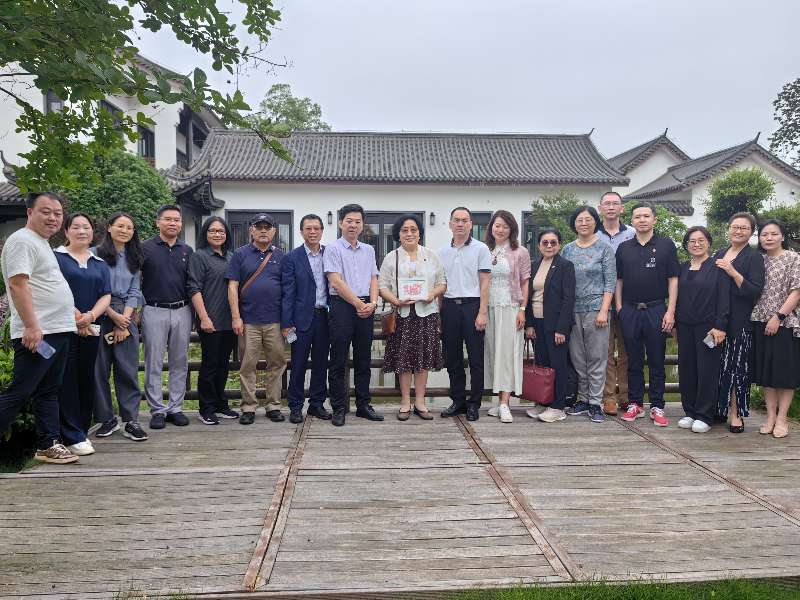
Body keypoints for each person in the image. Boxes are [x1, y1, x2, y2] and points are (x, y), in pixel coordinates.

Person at [0, 192, 78, 463]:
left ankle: (48, 444)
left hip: (56, 331)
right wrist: (32, 326)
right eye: (46, 212)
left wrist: (71, 313)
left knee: (48, 389)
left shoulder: (40, 242)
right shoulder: (22, 240)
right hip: (39, 334)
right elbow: (18, 284)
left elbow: (45, 285)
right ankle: (48, 443)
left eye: (58, 213)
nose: (53, 218)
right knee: (20, 391)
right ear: (29, 212)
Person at [616, 202, 679, 427]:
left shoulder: (666, 245)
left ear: (654, 219)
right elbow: (619, 280)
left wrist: (670, 311)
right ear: (632, 221)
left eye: (646, 216)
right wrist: (620, 308)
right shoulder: (624, 248)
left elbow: (673, 279)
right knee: (633, 361)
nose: (642, 220)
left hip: (656, 309)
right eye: (637, 216)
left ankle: (657, 405)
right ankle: (635, 403)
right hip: (630, 310)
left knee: (656, 361)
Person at [378, 214, 446, 421]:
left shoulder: (431, 255)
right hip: (402, 316)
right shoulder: (391, 257)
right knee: (404, 360)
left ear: (419, 233)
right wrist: (396, 301)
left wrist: (431, 295)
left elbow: (442, 283)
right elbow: (382, 286)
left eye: (413, 230)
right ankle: (405, 402)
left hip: (426, 315)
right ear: (398, 234)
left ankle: (420, 402)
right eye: (404, 230)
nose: (409, 233)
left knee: (423, 359)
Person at [54, 213, 111, 455]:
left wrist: (90, 316)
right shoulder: (56, 258)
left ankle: (81, 429)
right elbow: (53, 290)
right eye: (75, 227)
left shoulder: (99, 263)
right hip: (63, 327)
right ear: (66, 231)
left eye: (86, 227)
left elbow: (106, 294)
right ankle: (70, 434)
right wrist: (78, 317)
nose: (81, 231)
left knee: (86, 378)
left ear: (92, 232)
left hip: (91, 328)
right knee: (66, 379)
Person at [324, 204, 382, 427]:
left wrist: (372, 303)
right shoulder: (332, 249)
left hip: (366, 306)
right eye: (349, 221)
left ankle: (363, 405)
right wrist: (359, 304)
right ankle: (339, 407)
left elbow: (374, 278)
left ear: (362, 225)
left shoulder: (368, 250)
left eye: (358, 221)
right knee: (338, 359)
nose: (353, 225)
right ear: (341, 223)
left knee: (363, 359)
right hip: (342, 306)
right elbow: (335, 282)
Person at [227, 213, 287, 425]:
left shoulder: (281, 256)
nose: (263, 230)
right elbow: (232, 287)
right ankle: (249, 406)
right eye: (259, 227)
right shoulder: (240, 254)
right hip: (248, 321)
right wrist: (236, 317)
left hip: (275, 321)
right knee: (247, 366)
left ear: (274, 231)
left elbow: (288, 289)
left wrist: (288, 321)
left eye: (267, 227)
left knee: (276, 364)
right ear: (251, 230)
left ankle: (273, 405)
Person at [93, 212, 148, 442]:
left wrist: (124, 321)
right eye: (120, 226)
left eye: (129, 228)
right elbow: (94, 288)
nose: (125, 231)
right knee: (98, 370)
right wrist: (113, 316)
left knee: (127, 369)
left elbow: (135, 290)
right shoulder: (94, 254)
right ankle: (106, 419)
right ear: (109, 227)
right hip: (99, 313)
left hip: (126, 314)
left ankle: (131, 420)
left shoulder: (134, 257)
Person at [140, 204, 193, 430]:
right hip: (154, 309)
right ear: (158, 222)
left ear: (181, 224)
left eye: (176, 220)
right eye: (168, 219)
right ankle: (157, 410)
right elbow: (136, 279)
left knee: (179, 361)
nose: (173, 223)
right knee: (153, 361)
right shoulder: (144, 248)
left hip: (182, 309)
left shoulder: (187, 250)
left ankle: (175, 408)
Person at [562, 206, 615, 424]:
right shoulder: (567, 250)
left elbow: (610, 282)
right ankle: (583, 399)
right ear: (574, 224)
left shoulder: (604, 249)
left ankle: (595, 402)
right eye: (579, 220)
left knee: (597, 357)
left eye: (588, 219)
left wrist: (603, 310)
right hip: (572, 310)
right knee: (578, 357)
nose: (583, 223)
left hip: (596, 310)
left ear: (595, 222)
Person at [438, 207, 491, 422]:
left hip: (472, 306)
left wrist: (482, 312)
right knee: (453, 357)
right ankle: (458, 401)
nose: (460, 224)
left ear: (471, 224)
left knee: (476, 358)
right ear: (450, 224)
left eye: (464, 220)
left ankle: (474, 403)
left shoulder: (481, 249)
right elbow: (441, 284)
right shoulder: (442, 252)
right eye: (456, 220)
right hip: (449, 307)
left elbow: (485, 282)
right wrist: (439, 314)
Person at [675, 226, 730, 433]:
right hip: (684, 326)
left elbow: (724, 299)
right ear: (686, 244)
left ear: (708, 243)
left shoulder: (718, 267)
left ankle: (705, 415)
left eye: (701, 240)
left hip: (709, 328)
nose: (696, 244)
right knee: (687, 369)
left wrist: (720, 325)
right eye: (692, 241)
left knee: (707, 370)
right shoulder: (682, 268)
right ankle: (689, 411)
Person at [714, 212, 764, 433]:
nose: (738, 231)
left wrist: (732, 271)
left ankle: (736, 414)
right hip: (718, 319)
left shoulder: (754, 257)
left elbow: (754, 291)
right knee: (719, 366)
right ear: (728, 229)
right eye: (735, 227)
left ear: (751, 232)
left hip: (740, 321)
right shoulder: (720, 253)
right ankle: (719, 408)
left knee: (737, 369)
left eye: (744, 228)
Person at [750, 219, 800, 439]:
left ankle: (782, 418)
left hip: (786, 322)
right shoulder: (758, 260)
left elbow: (797, 291)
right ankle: (770, 417)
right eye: (764, 234)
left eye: (773, 234)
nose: (768, 238)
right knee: (766, 371)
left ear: (782, 236)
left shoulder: (793, 258)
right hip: (759, 320)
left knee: (785, 372)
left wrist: (778, 317)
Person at [281, 214, 333, 424]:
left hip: (325, 317)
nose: (313, 232)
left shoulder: (330, 253)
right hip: (300, 319)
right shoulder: (292, 257)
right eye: (308, 228)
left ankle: (317, 404)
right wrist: (286, 323)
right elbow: (288, 292)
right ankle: (295, 406)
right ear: (301, 231)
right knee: (298, 364)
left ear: (321, 231)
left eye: (316, 228)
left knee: (321, 363)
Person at [188, 216, 238, 425]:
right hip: (210, 320)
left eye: (221, 231)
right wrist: (204, 317)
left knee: (223, 365)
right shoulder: (199, 256)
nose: (217, 234)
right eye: (212, 231)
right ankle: (206, 407)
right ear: (205, 233)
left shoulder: (232, 257)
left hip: (230, 321)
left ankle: (220, 404)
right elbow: (194, 288)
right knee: (210, 365)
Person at [482, 210, 530, 423]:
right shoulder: (485, 250)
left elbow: (525, 282)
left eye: (505, 226)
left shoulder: (520, 251)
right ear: (491, 227)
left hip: (510, 307)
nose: (500, 230)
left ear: (512, 229)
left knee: (509, 354)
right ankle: (497, 400)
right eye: (497, 225)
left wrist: (522, 309)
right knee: (493, 353)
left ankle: (505, 403)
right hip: (488, 308)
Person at [524, 228, 575, 422]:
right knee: (543, 364)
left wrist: (562, 329)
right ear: (539, 245)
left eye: (553, 242)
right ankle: (543, 401)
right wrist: (529, 324)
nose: (549, 246)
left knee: (558, 366)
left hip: (556, 325)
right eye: (545, 242)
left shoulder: (565, 266)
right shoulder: (534, 265)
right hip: (537, 323)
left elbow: (568, 300)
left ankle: (558, 406)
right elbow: (529, 297)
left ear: (559, 245)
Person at [597, 191, 635, 415]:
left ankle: (627, 395)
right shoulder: (593, 234)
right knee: (606, 350)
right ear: (600, 208)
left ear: (622, 208)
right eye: (607, 204)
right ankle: (609, 396)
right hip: (600, 300)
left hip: (628, 299)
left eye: (615, 204)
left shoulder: (632, 233)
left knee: (627, 350)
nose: (611, 207)